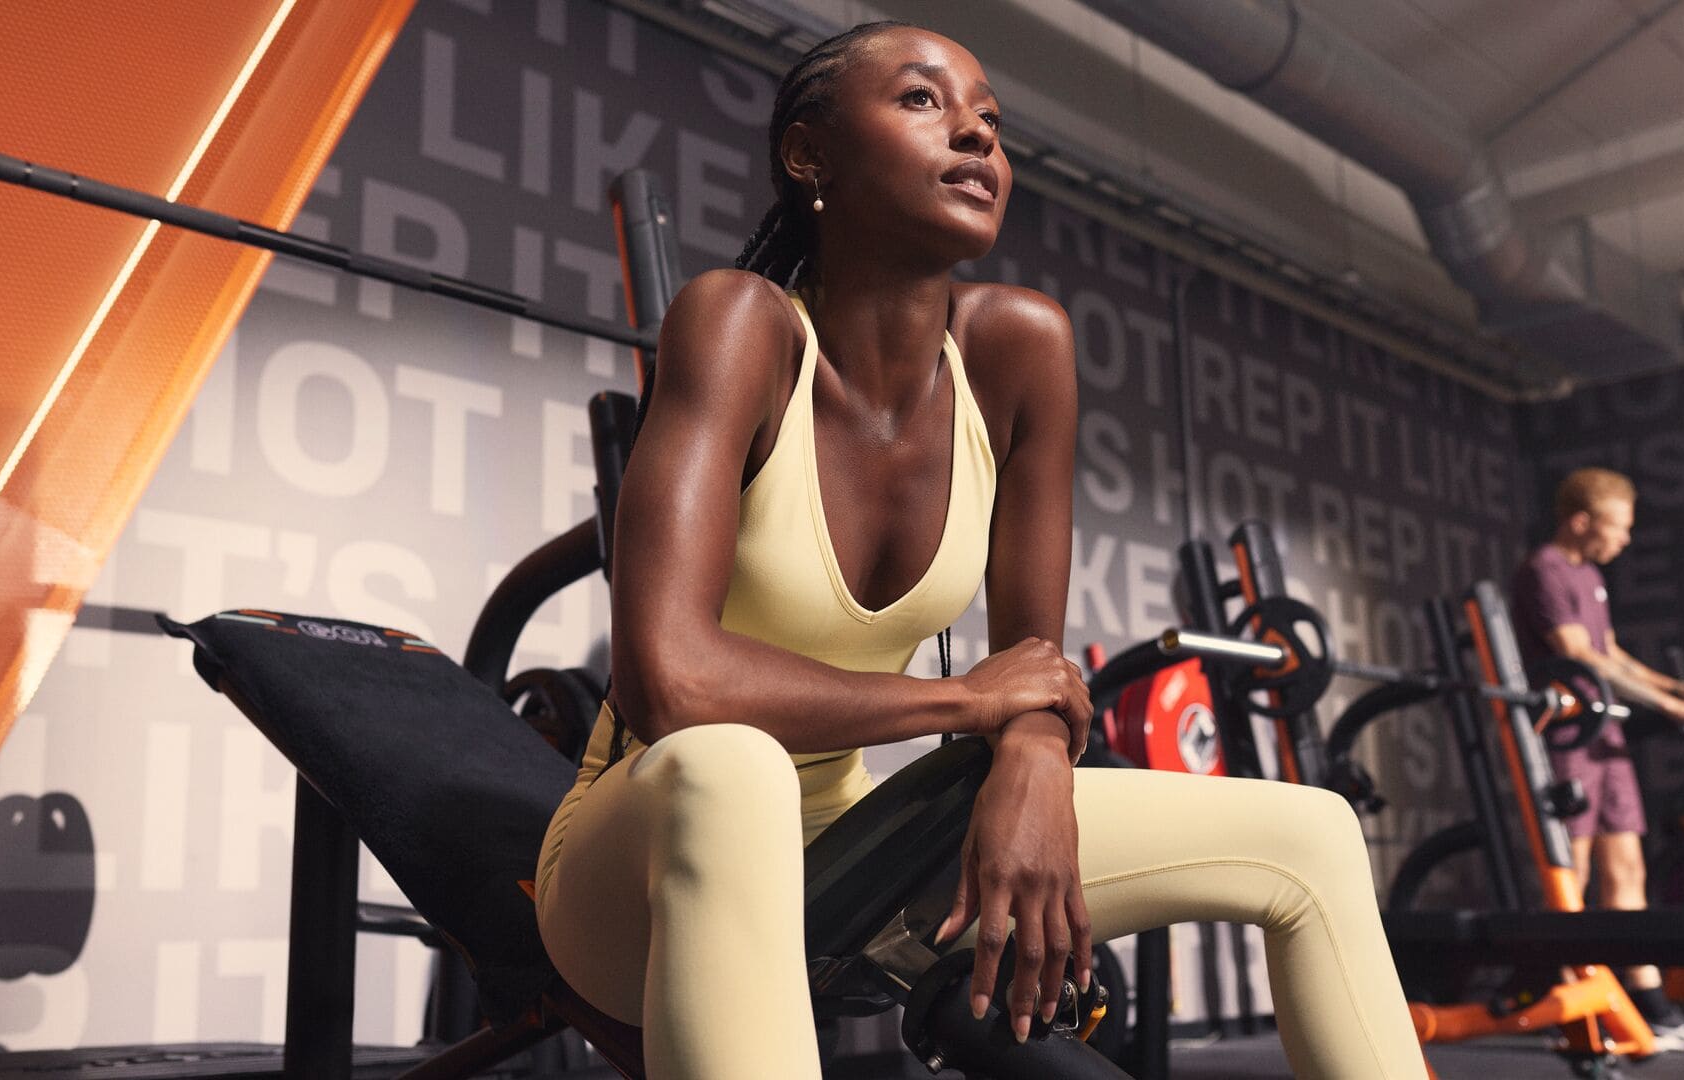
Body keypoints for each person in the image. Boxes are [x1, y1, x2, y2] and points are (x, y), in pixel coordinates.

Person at [533, 22, 1427, 1079]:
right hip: (640, 852)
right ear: (809, 155)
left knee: (1313, 836)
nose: (975, 138)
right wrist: (969, 708)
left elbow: (1035, 662)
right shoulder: (740, 324)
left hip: (855, 844)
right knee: (732, 767)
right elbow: (671, 681)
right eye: (922, 101)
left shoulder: (1020, 349)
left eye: (991, 124)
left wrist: (1036, 763)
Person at [1511, 466, 1684, 1053]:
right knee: (1574, 876)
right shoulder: (1546, 570)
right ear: (1581, 521)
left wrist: (1682, 692)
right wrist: (1672, 707)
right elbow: (1580, 655)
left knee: (1628, 872)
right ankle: (1567, 1006)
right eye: (1617, 528)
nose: (1625, 541)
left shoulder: (1588, 575)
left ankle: (1651, 1007)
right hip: (1567, 737)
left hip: (1606, 736)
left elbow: (1612, 654)